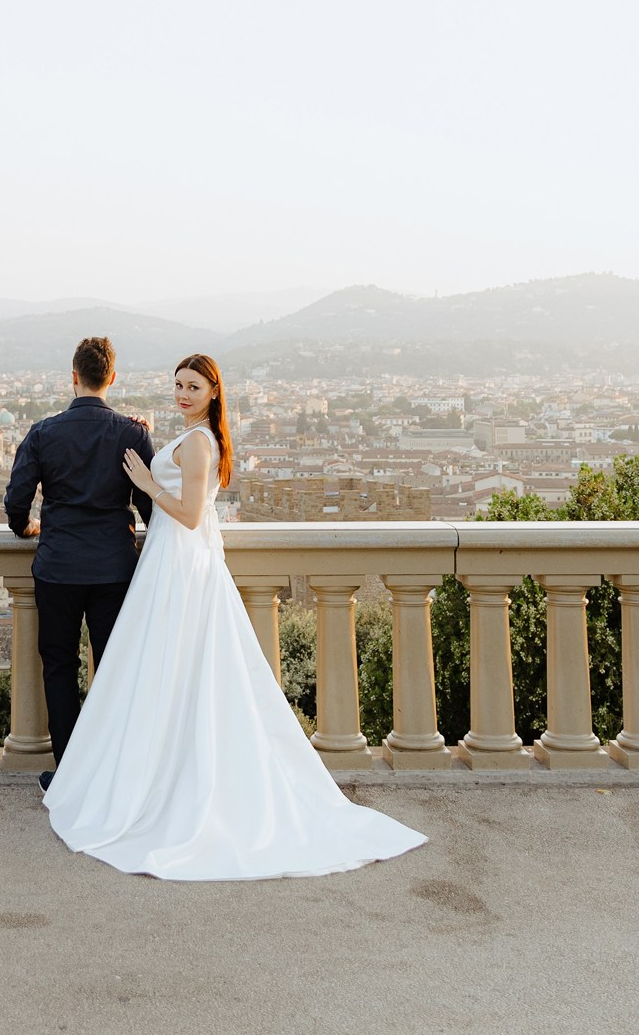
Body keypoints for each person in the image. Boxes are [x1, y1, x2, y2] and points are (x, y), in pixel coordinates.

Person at [42, 352, 426, 880]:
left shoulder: (200, 442)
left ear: (213, 392)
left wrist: (149, 486)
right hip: (169, 562)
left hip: (179, 563)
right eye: (177, 385)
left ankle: (160, 781)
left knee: (170, 670)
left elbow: (192, 514)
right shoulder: (193, 437)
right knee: (171, 671)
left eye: (192, 387)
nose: (182, 394)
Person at [2, 335, 155, 781]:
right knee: (112, 668)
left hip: (59, 567)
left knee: (60, 667)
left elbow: (16, 506)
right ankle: (112, 771)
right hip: (114, 568)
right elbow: (150, 510)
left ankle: (70, 773)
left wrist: (31, 527)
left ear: (74, 377)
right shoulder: (132, 432)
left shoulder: (44, 433)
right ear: (112, 377)